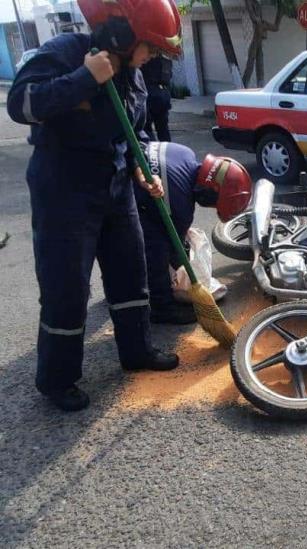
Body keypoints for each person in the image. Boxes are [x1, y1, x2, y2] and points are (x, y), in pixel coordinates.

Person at [7, 0, 184, 412]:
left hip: (116, 189)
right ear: (122, 35)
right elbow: (22, 104)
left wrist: (143, 168)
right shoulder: (66, 53)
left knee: (131, 274)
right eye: (150, 47)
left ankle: (137, 352)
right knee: (66, 289)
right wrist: (84, 78)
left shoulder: (134, 76)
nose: (152, 57)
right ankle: (57, 380)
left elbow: (134, 130)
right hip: (63, 195)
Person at [135, 142, 251, 324]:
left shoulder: (184, 152)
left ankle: (126, 285)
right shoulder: (181, 207)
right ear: (210, 193)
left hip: (122, 173)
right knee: (158, 247)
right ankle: (161, 307)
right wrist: (189, 278)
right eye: (215, 204)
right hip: (119, 198)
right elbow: (174, 250)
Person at [141, 55, 173, 141]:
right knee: (163, 128)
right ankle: (166, 151)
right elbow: (169, 76)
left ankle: (152, 152)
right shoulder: (166, 59)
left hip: (149, 94)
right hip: (163, 94)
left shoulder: (146, 58)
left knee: (146, 128)